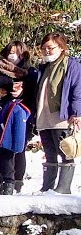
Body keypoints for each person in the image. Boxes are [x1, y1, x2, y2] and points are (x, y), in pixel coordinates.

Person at [32, 33, 81, 194]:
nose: (46, 51)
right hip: (44, 116)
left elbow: (77, 90)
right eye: (43, 48)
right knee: (49, 152)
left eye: (50, 47)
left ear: (61, 47)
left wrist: (76, 112)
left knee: (65, 151)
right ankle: (47, 186)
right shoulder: (44, 67)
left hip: (62, 117)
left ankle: (63, 187)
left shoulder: (71, 65)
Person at [0, 41, 35, 194]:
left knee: (18, 148)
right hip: (0, 114)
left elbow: (34, 95)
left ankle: (16, 181)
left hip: (22, 115)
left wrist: (22, 93)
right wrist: (2, 90)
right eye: (10, 52)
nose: (13, 55)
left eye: (16, 52)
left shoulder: (30, 73)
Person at [0, 72, 32, 196]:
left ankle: (8, 188)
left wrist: (17, 145)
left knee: (7, 167)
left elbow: (19, 129)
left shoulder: (13, 108)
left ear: (3, 91)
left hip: (6, 144)